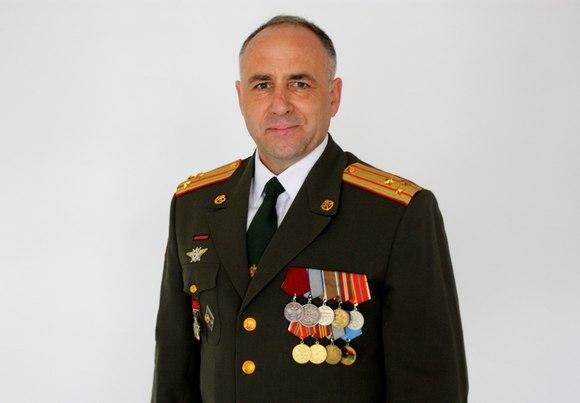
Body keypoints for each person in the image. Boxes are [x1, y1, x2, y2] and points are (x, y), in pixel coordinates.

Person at [151, 15, 468, 403]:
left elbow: (430, 388)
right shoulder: (194, 204)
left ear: (333, 96)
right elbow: (173, 376)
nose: (279, 104)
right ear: (240, 96)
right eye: (262, 85)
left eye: (299, 83)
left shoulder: (397, 215)